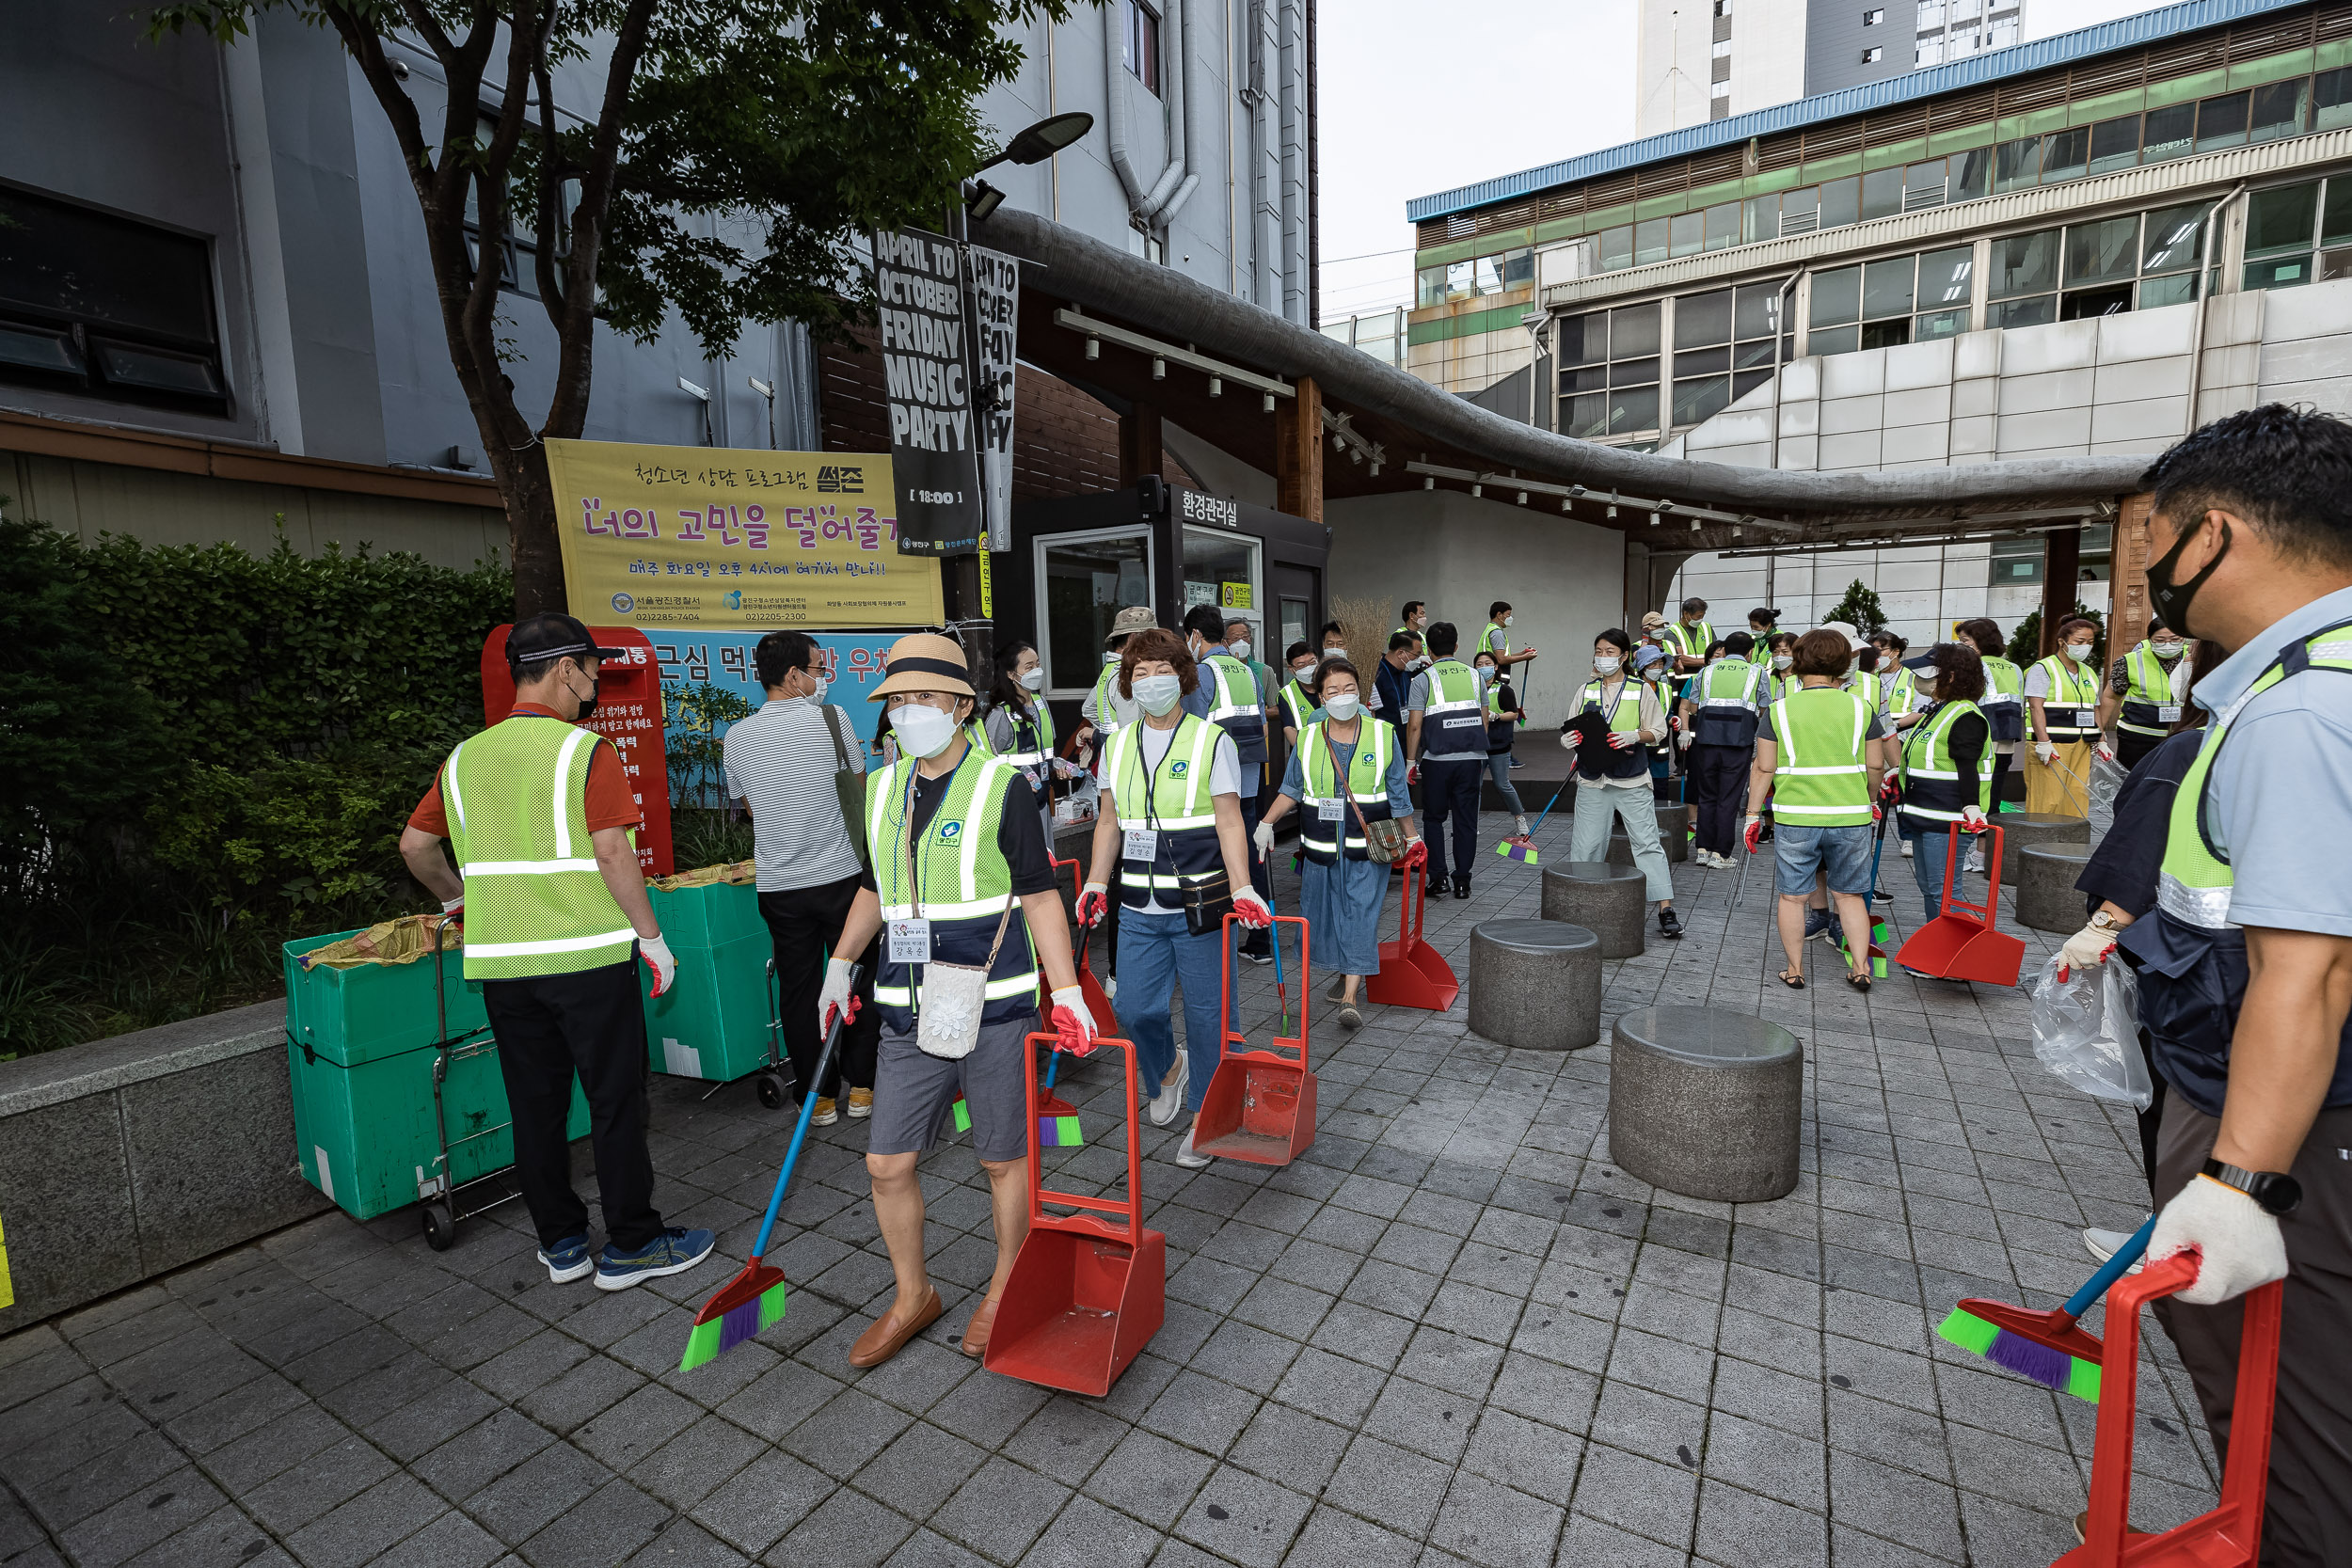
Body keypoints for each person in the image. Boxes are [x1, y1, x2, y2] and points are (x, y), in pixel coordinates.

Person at [2025, 406, 2352, 1560]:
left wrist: (2238, 1176)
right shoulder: (2301, 684)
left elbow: (2305, 972)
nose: (2146, 569)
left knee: (2295, 1438)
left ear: (2213, 534)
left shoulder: (2305, 705)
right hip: (2291, 1112)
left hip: (2294, 1130)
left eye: (2151, 538)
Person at [398, 613, 711, 1291]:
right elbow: (611, 851)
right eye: (592, 675)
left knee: (535, 1105)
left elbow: (415, 847)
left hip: (505, 969)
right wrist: (654, 941)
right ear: (565, 669)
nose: (594, 689)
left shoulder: (463, 760)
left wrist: (460, 903)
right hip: (588, 962)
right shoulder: (583, 752)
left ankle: (563, 1245)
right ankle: (633, 1241)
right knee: (615, 1101)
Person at [818, 633, 1097, 1367]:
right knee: (886, 1163)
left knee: (1003, 1159)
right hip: (909, 1009)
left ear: (962, 705)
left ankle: (1008, 1280)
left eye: (922, 699)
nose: (907, 713)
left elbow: (1040, 896)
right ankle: (914, 1293)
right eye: (897, 701)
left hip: (995, 1006)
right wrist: (840, 963)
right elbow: (876, 888)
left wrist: (1065, 992)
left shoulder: (1000, 784)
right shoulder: (882, 789)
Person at [1078, 627, 1272, 1166]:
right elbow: (1109, 822)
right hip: (1139, 903)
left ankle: (1204, 1120)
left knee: (1210, 1016)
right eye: (1140, 673)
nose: (1152, 681)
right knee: (1134, 1009)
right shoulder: (1115, 746)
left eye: (1163, 670)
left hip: (1203, 904)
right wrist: (1096, 882)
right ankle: (1166, 1069)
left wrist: (1243, 886)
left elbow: (1231, 821)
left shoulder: (1213, 741)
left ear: (1182, 677)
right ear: (1127, 684)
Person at [2062, 650, 2221, 1227]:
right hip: (2278, 975)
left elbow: (2140, 852)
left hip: (2199, 976)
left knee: (2182, 1117)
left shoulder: (2190, 752)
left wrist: (2099, 929)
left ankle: (2174, 1246)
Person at [725, 630, 881, 1128]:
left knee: (798, 989)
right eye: (818, 669)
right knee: (855, 977)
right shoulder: (833, 721)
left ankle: (818, 1098)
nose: (823, 680)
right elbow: (856, 793)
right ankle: (863, 1087)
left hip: (779, 886)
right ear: (793, 676)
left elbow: (749, 807)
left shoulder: (738, 736)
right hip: (842, 878)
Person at [1256, 658, 1422, 1032]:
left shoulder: (1382, 734)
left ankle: (1350, 997)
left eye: (1348, 689)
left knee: (1361, 913)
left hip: (1368, 848)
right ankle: (1349, 970)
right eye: (1333, 691)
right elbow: (1291, 788)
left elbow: (1398, 793)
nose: (1342, 696)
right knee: (1324, 917)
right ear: (1320, 695)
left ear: (1359, 691)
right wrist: (1266, 823)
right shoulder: (1309, 738)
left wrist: (1412, 837)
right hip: (1319, 851)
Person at [1743, 627, 1885, 990]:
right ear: (1843, 664)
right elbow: (1875, 766)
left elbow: (1763, 767)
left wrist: (1753, 815)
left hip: (1796, 817)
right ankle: (1859, 968)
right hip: (1851, 815)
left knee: (1793, 897)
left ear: (1797, 661)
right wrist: (1871, 799)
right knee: (1850, 895)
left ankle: (1794, 971)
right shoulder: (1860, 708)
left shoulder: (1778, 710)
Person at [1565, 630, 1683, 940]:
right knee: (1586, 845)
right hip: (1593, 778)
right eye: (1598, 651)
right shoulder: (1585, 690)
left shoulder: (1640, 689)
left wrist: (1635, 735)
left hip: (1631, 777)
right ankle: (1582, 903)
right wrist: (1569, 739)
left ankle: (1665, 908)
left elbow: (1657, 730)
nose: (1603, 657)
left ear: (1623, 656)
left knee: (1646, 843)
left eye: (1609, 651)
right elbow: (1573, 725)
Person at [1183, 606, 1277, 962]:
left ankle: (1215, 940)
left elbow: (1191, 731)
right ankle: (1260, 940)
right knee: (1250, 854)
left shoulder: (1201, 674)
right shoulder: (1247, 672)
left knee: (1216, 858)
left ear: (1194, 636)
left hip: (1214, 784)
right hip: (1248, 777)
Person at [1889, 642, 1992, 927]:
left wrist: (1971, 806)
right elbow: (1928, 757)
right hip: (1928, 816)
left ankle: (1961, 953)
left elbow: (1967, 764)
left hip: (1948, 820)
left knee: (1943, 891)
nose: (1921, 680)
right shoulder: (1939, 709)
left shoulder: (1965, 716)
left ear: (1951, 676)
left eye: (1929, 674)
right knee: (1932, 889)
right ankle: (1938, 948)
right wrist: (1898, 772)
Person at [1406, 622, 1489, 899]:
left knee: (1433, 819)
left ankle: (1438, 878)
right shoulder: (1475, 676)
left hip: (1436, 761)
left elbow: (1415, 726)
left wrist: (1410, 761)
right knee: (1466, 821)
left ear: (1428, 649)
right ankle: (1463, 882)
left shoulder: (1422, 680)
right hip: (1471, 759)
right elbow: (1484, 718)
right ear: (1456, 646)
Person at [979, 641, 1083, 842]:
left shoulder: (1040, 703)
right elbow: (986, 764)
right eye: (1029, 667)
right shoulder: (1001, 714)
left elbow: (1045, 752)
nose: (1037, 671)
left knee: (1046, 859)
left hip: (1042, 800)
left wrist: (1058, 767)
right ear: (1011, 674)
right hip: (1014, 806)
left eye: (1038, 664)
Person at [1682, 630, 1765, 867]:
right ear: (1750, 652)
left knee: (1706, 795)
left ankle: (1702, 850)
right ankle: (1721, 854)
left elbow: (1694, 707)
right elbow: (1764, 708)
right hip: (1738, 743)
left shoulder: (1706, 671)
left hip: (1706, 741)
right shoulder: (1757, 672)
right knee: (1728, 798)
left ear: (1725, 651)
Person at [2026, 614, 2109, 819]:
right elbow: (2036, 707)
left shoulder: (2088, 672)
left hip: (2082, 745)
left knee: (2077, 797)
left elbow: (2095, 708)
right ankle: (2038, 845)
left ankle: (2071, 845)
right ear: (2062, 642)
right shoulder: (2043, 668)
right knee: (2047, 799)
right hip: (2052, 745)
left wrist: (2101, 739)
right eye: (2079, 642)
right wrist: (2044, 742)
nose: (2085, 647)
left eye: (2090, 642)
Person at [2100, 616, 2194, 770]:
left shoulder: (2194, 657)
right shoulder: (2130, 661)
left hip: (2181, 736)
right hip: (2137, 738)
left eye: (2174, 639)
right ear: (2149, 639)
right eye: (2160, 640)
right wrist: (2100, 733)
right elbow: (2110, 697)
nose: (2167, 645)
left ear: (2183, 638)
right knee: (2134, 782)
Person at [1076, 604, 1154, 759]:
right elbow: (1131, 732)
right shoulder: (1129, 673)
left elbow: (1088, 709)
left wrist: (1105, 734)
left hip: (1112, 756)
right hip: (1132, 761)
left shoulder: (1109, 669)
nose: (1156, 645)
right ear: (1133, 638)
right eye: (1151, 638)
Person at [1476, 649, 1532, 842]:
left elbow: (1514, 714)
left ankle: (1520, 818)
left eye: (1487, 664)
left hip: (1499, 744)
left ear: (1496, 666)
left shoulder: (1504, 689)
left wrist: (1496, 716)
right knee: (1474, 785)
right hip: (1476, 745)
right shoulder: (1472, 689)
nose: (1484, 668)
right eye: (1479, 665)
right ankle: (1471, 823)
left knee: (1502, 784)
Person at [1373, 630, 1419, 736]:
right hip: (1385, 735)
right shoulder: (1377, 674)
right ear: (1400, 653)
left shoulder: (1406, 672)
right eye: (1416, 655)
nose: (1417, 660)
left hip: (1406, 734)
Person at [1279, 641, 1318, 749]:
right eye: (1301, 665)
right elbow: (1289, 729)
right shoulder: (1287, 694)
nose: (1308, 668)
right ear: (1291, 669)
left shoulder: (1330, 684)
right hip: (1305, 752)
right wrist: (1304, 752)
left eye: (1312, 662)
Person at [1480, 601, 1536, 672]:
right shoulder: (1497, 633)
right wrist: (1524, 657)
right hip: (1495, 677)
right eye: (1508, 615)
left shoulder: (1490, 629)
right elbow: (1501, 659)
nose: (1510, 618)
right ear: (1499, 615)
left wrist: (1522, 653)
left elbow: (1501, 656)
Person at [1665, 596, 1714, 673]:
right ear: (1686, 614)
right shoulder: (1672, 632)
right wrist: (1708, 661)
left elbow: (1717, 651)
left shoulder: (1706, 627)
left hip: (1706, 674)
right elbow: (1680, 659)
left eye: (1702, 616)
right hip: (1685, 677)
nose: (1701, 619)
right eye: (1698, 616)